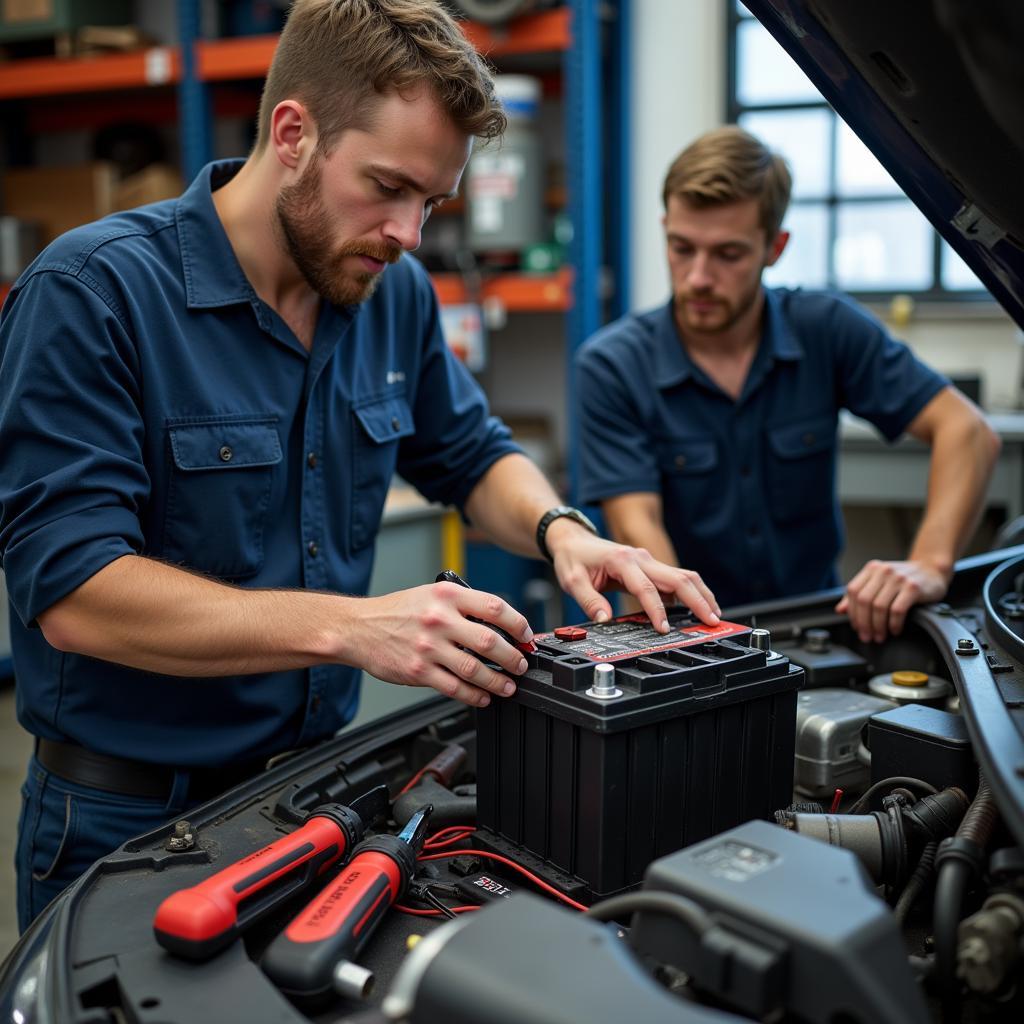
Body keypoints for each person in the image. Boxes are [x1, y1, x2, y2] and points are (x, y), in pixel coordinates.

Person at [0, 0, 719, 931]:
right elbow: (74, 593)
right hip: (130, 822)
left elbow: (471, 454)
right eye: (387, 185)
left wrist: (563, 534)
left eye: (432, 201)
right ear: (292, 134)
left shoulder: (392, 293)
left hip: (313, 801)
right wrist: (353, 627)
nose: (410, 232)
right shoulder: (92, 294)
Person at [575, 125, 999, 645]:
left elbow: (968, 431)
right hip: (691, 638)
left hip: (820, 633)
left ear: (775, 247)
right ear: (665, 229)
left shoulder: (827, 329)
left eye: (727, 254)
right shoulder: (613, 366)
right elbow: (640, 532)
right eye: (681, 248)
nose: (698, 278)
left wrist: (930, 563)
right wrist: (700, 644)